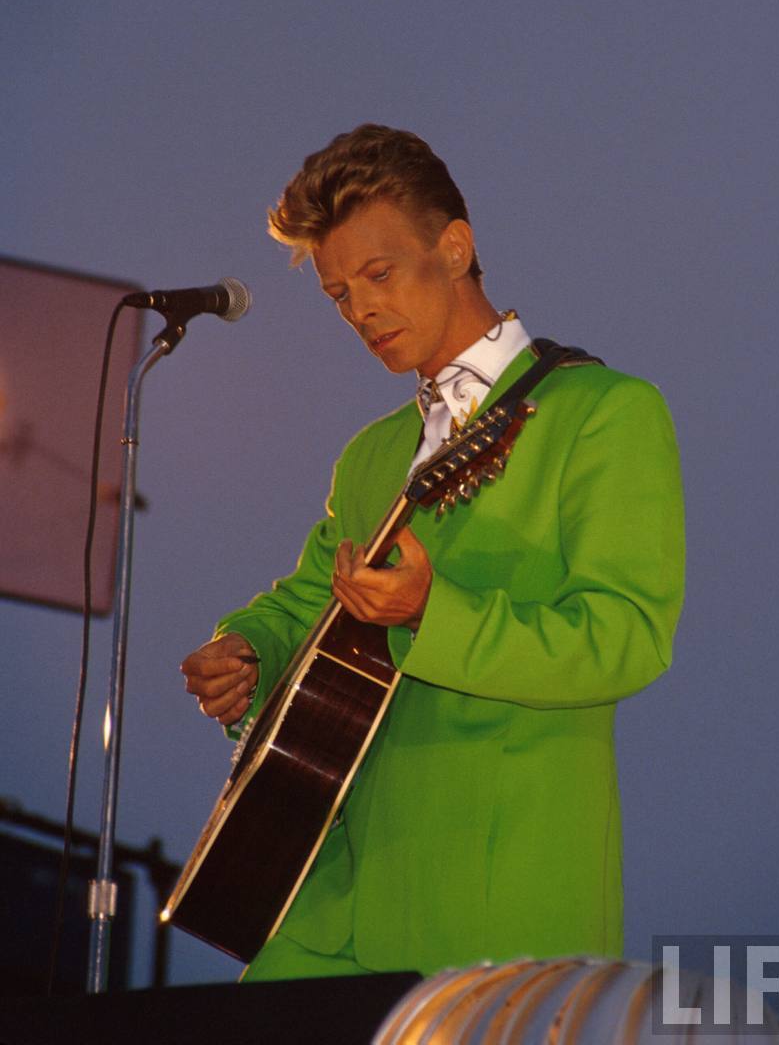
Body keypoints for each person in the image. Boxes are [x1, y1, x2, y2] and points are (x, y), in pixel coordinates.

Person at [180, 123, 685, 981]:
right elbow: (310, 599)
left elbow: (625, 638)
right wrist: (247, 650)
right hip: (334, 895)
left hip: (499, 896)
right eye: (339, 295)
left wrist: (430, 614)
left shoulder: (604, 412)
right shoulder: (371, 454)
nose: (360, 310)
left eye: (378, 275)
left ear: (454, 248)